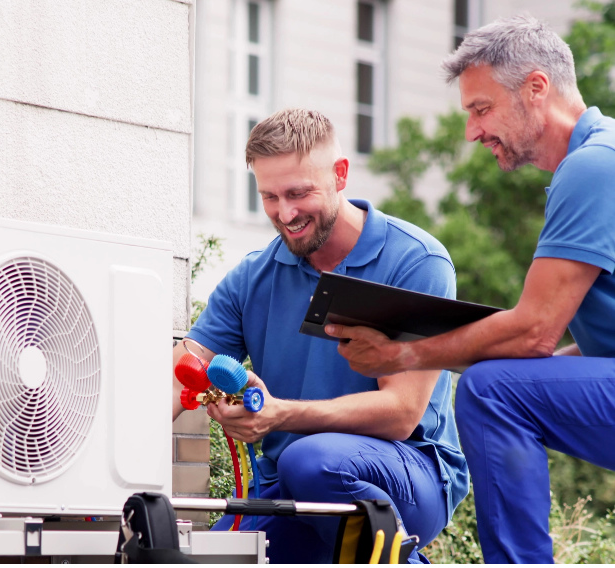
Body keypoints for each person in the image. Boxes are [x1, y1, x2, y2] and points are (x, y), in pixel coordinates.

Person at [325, 13, 615, 564]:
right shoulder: (599, 158)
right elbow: (559, 346)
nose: (472, 131)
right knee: (508, 380)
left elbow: (533, 332)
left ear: (536, 89)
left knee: (492, 390)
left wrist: (403, 353)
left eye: (481, 109)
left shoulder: (593, 167)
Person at [172, 108, 468, 563]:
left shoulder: (416, 262)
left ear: (341, 175)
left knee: (309, 460)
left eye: (298, 193)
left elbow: (401, 414)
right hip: (290, 485)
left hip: (409, 474)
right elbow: (179, 375)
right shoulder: (253, 278)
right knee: (215, 556)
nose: (284, 213)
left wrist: (279, 415)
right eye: (269, 196)